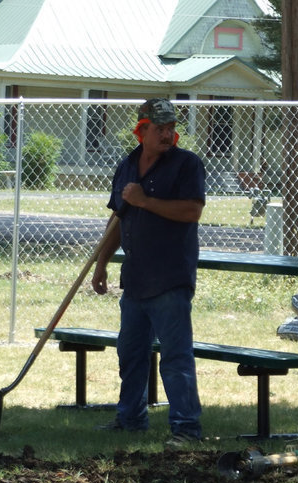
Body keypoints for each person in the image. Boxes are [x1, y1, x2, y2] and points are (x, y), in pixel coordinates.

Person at [91, 98, 205, 446]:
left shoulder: (187, 164)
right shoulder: (127, 165)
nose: (167, 134)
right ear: (142, 130)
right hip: (136, 280)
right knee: (130, 353)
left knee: (175, 358)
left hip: (170, 278)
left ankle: (186, 429)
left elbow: (192, 211)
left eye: (171, 128)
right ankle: (130, 419)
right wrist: (101, 264)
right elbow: (118, 218)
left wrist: (146, 201)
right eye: (160, 128)